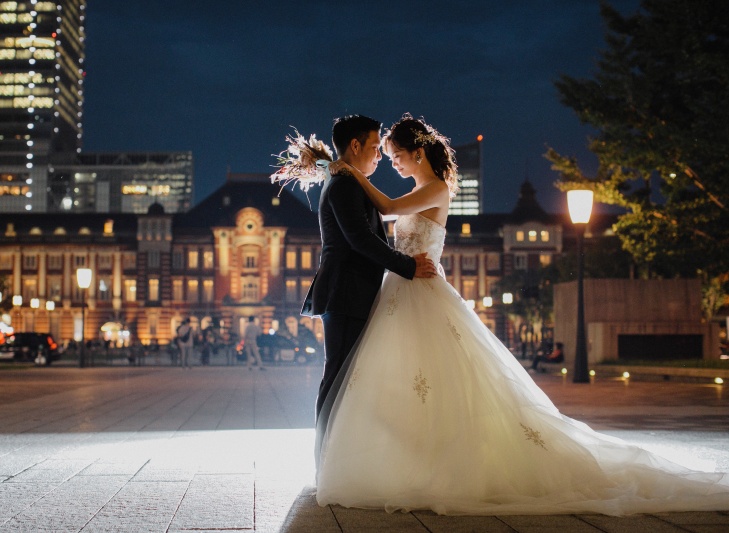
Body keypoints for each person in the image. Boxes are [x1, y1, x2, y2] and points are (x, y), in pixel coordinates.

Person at [312, 114, 729, 515]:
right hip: (401, 288)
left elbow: (382, 206)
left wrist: (345, 170)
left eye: (396, 154)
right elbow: (381, 216)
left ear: (417, 154)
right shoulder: (399, 190)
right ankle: (391, 458)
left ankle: (421, 461)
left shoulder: (436, 189)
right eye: (381, 151)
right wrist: (340, 170)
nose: (390, 160)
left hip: (417, 287)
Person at [296, 114, 437, 424]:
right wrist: (409, 266)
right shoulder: (344, 184)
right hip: (346, 292)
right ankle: (326, 450)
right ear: (356, 145)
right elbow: (360, 239)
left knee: (344, 375)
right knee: (338, 375)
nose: (379, 156)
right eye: (375, 148)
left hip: (351, 292)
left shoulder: (346, 180)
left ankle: (333, 449)